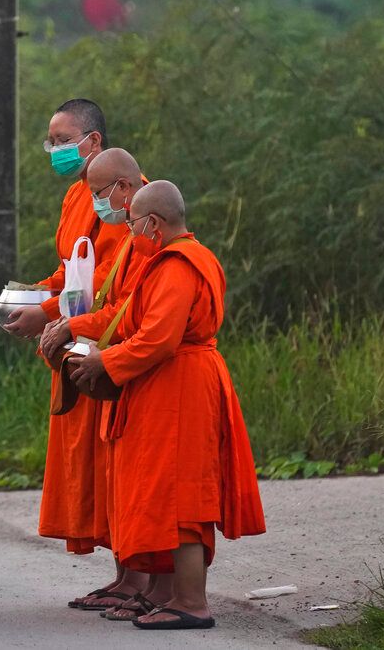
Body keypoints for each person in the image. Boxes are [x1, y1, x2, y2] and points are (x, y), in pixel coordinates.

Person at [68, 180, 266, 630]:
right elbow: (132, 321)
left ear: (153, 223)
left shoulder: (179, 264)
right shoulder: (164, 261)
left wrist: (106, 361)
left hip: (182, 386)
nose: (131, 231)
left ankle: (192, 603)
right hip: (165, 385)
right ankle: (170, 594)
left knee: (182, 495)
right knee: (160, 489)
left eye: (134, 223)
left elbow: (158, 337)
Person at [3, 99, 134, 610]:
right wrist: (34, 297)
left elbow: (110, 283)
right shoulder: (76, 196)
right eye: (50, 141)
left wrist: (52, 312)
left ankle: (140, 575)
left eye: (63, 140)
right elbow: (70, 269)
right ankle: (125, 575)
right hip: (76, 340)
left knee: (118, 463)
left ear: (95, 142)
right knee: (95, 467)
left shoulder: (125, 198)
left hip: (109, 346)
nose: (54, 150)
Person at [39, 147, 170, 620]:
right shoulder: (135, 243)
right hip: (119, 367)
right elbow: (114, 302)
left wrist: (83, 337)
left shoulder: (172, 257)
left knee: (156, 486)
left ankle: (169, 593)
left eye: (101, 194)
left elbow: (150, 327)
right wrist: (67, 324)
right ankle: (133, 579)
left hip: (156, 380)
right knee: (123, 478)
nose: (98, 204)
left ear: (128, 190)